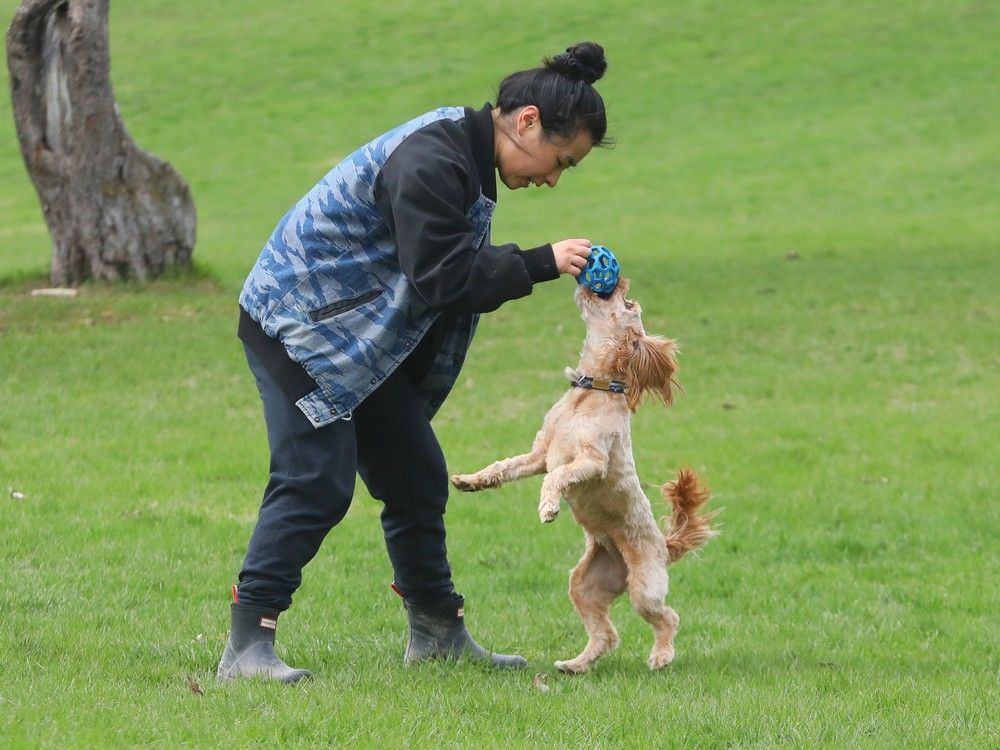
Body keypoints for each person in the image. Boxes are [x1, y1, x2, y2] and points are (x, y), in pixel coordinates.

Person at [217, 42, 611, 682]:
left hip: (353, 337)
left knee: (416, 474)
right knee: (316, 479)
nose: (553, 179)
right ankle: (247, 644)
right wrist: (541, 262)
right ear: (527, 120)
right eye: (561, 161)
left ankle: (437, 633)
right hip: (299, 326)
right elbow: (443, 278)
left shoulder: (466, 154)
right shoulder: (433, 159)